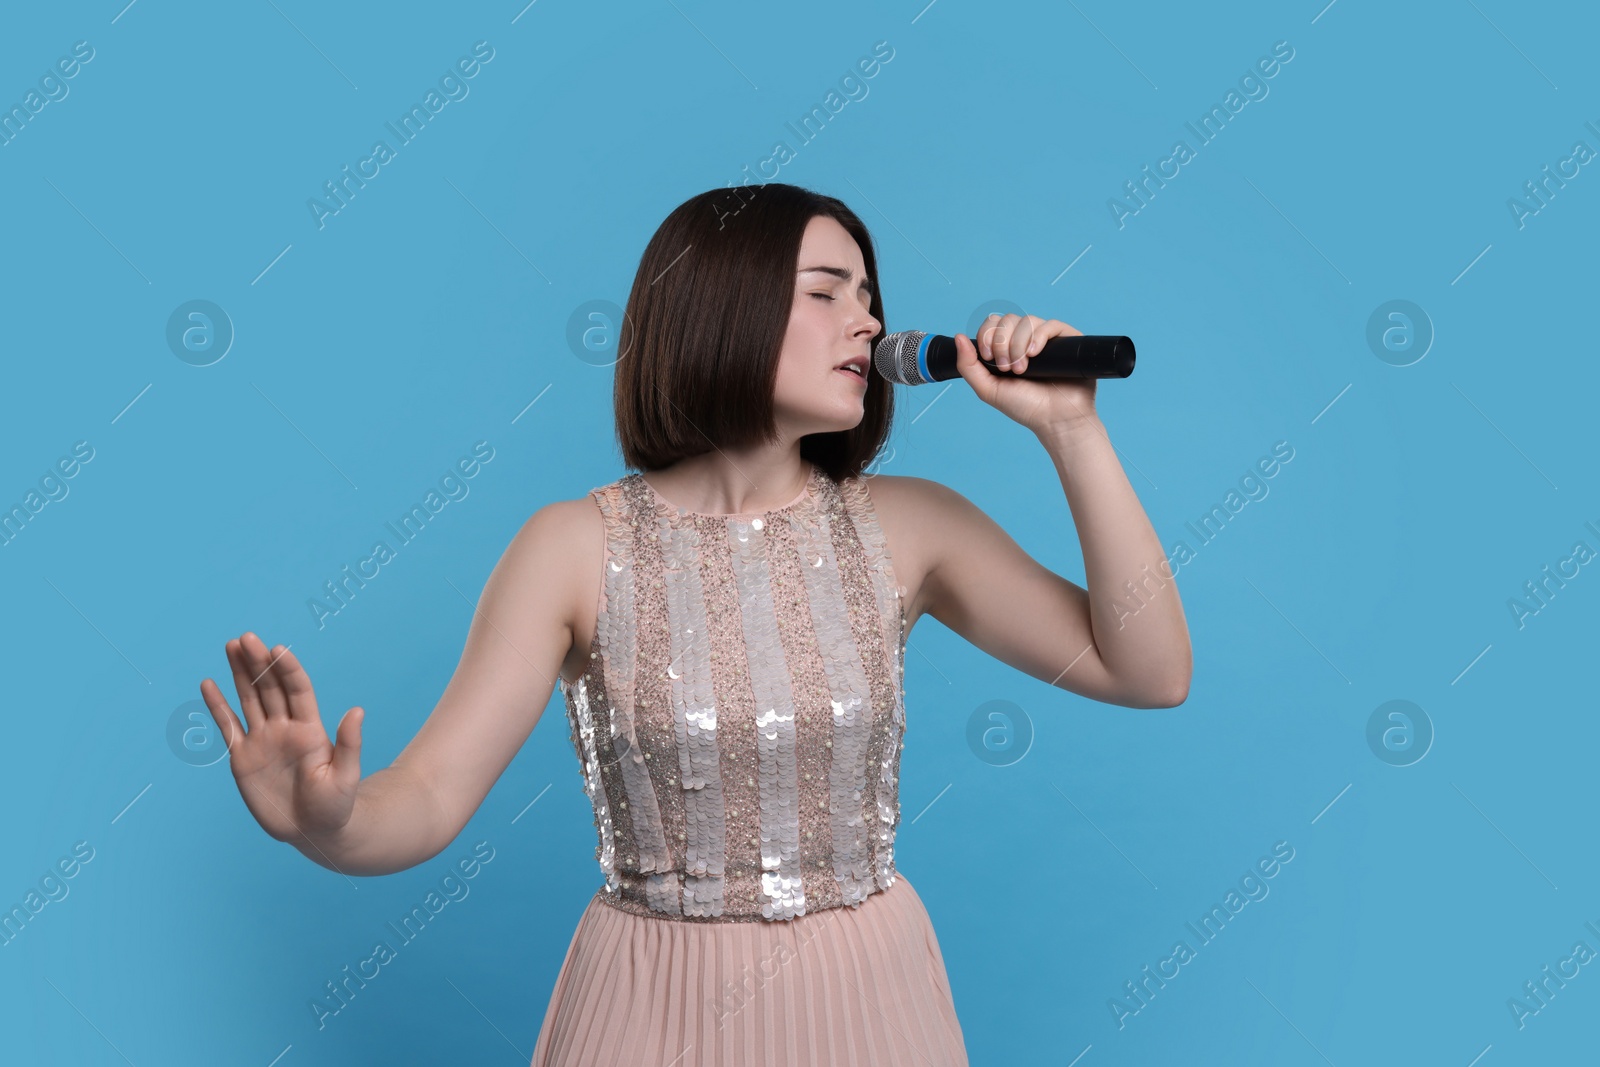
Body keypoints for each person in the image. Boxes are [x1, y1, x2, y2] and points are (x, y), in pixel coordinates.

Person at [199, 182, 1192, 1066]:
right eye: (827, 290)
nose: (868, 320)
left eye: (870, 296)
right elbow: (425, 795)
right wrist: (328, 822)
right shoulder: (567, 546)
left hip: (868, 996)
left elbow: (1149, 668)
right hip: (648, 998)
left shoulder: (911, 524)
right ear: (720, 305)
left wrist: (1073, 430)